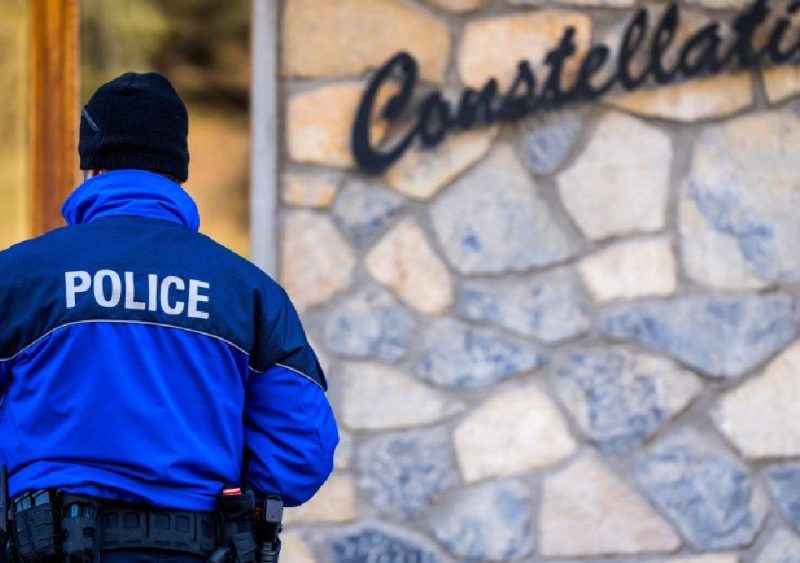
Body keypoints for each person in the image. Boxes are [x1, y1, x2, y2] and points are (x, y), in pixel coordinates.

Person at [0, 72, 338, 562]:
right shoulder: (248, 291)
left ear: (92, 166)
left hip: (47, 546)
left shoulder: (17, 276)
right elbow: (301, 453)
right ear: (178, 172)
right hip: (200, 549)